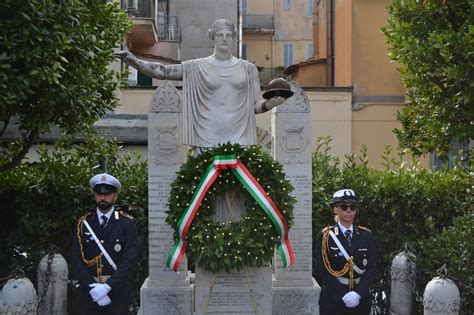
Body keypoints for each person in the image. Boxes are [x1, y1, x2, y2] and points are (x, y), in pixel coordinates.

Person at [116, 18, 287, 149]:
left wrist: (270, 104)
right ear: (213, 37)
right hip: (207, 136)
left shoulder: (249, 69)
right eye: (220, 35)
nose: (225, 39)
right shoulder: (197, 67)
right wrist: (135, 62)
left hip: (240, 137)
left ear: (234, 37)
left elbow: (255, 106)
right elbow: (162, 71)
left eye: (229, 35)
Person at [71, 173, 139, 315]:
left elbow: (130, 260)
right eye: (99, 193)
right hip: (89, 294)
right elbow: (76, 258)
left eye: (107, 194)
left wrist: (107, 287)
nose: (102, 198)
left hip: (117, 293)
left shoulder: (127, 223)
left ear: (115, 196)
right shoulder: (84, 223)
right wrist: (92, 288)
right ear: (94, 195)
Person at [315, 189, 377, 315]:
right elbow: (322, 268)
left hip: (360, 299)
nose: (349, 210)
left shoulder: (366, 235)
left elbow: (372, 268)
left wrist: (358, 294)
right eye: (344, 206)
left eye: (352, 207)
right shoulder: (326, 236)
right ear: (335, 209)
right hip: (333, 300)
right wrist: (341, 294)